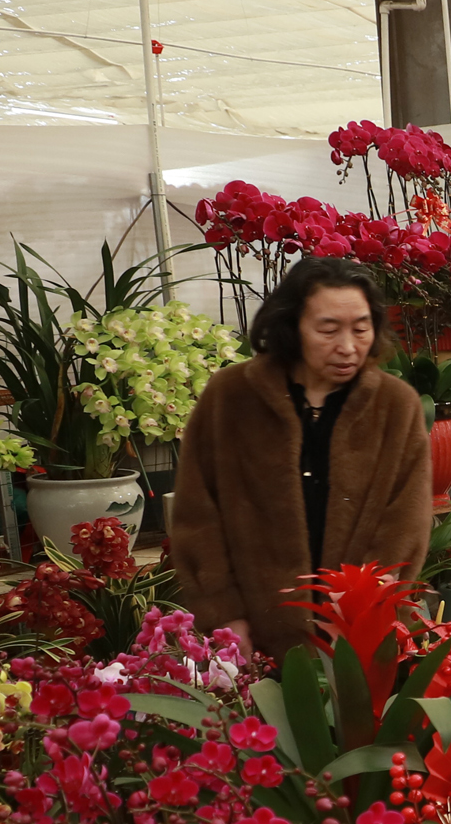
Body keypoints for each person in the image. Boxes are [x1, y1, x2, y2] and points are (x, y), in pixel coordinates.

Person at [169, 255, 432, 662]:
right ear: (291, 325)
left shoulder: (396, 405)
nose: (348, 347)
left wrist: (363, 618)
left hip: (359, 641)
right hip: (253, 638)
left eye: (361, 328)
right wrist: (223, 616)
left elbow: (405, 522)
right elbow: (197, 514)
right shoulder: (231, 396)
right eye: (328, 329)